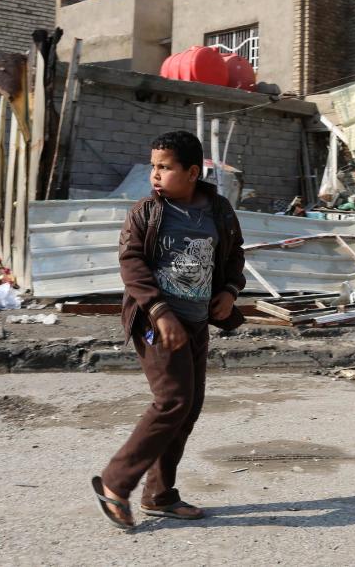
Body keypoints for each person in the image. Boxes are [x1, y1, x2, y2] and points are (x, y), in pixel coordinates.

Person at [91, 130, 246, 529]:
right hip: (156, 323)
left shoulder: (219, 211)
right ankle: (115, 482)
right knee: (172, 401)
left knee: (187, 408)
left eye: (165, 167)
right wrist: (160, 313)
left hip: (196, 323)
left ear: (192, 172)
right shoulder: (147, 212)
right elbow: (132, 265)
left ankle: (159, 495)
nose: (155, 175)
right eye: (153, 167)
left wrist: (229, 291)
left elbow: (234, 256)